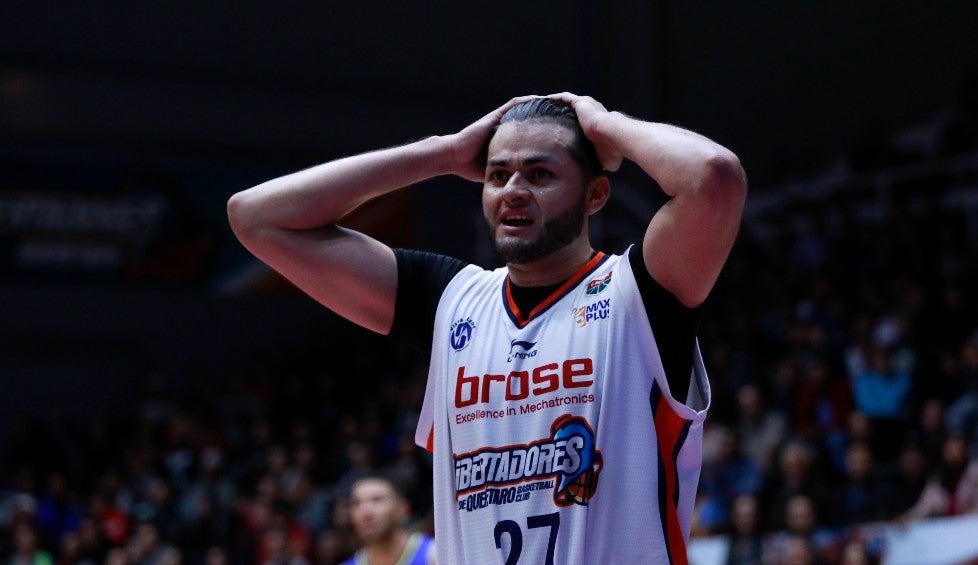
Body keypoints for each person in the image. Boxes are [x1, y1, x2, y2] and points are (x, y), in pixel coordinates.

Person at [228, 92, 746, 563]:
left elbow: (715, 177)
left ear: (595, 196)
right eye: (498, 175)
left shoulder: (639, 292)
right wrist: (445, 154)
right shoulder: (450, 299)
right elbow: (257, 217)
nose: (513, 191)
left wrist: (604, 125)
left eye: (540, 174)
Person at [342, 476, 435, 565]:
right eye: (356, 503)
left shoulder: (434, 556)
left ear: (403, 509)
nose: (365, 512)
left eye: (377, 500)